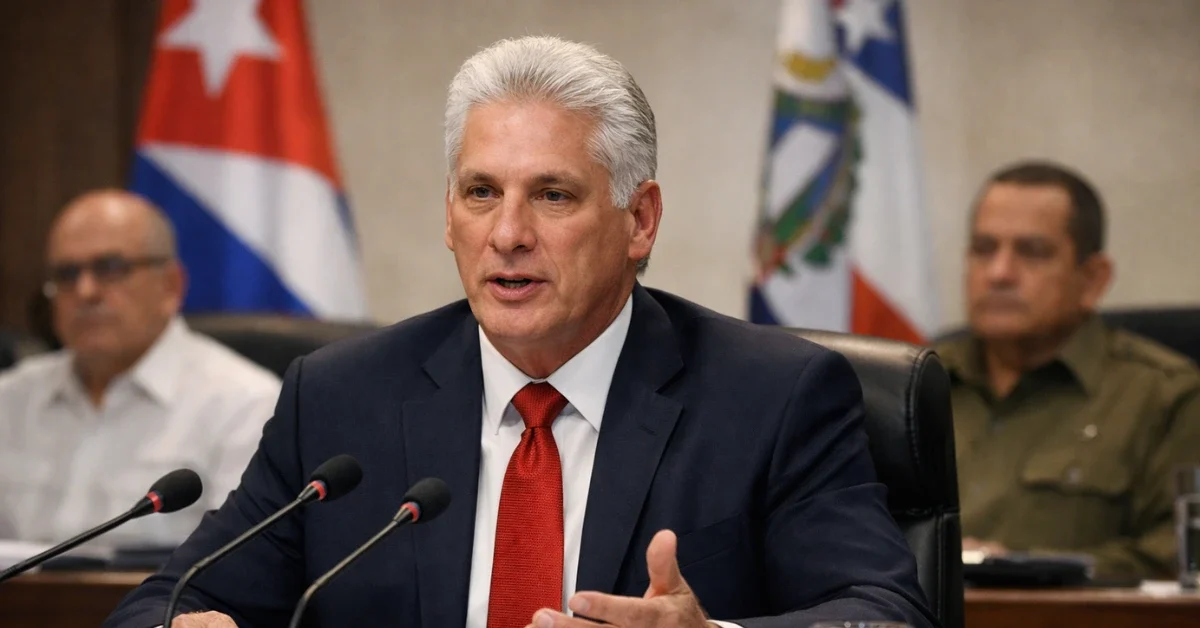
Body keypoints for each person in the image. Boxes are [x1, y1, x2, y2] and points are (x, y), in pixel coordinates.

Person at [104, 36, 936, 628]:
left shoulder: (772, 396)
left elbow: (884, 614)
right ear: (449, 215)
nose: (507, 234)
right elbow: (161, 602)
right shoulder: (341, 399)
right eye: (479, 193)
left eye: (553, 195)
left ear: (639, 219)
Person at [937, 161, 1200, 579]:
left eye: (1032, 252)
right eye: (984, 249)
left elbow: (1182, 558)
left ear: (1093, 279)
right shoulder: (914, 384)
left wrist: (1023, 571)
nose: (999, 273)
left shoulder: (1165, 396)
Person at [0, 190, 281, 548]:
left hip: (166, 605)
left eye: (111, 268)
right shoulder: (10, 399)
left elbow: (239, 565)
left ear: (170, 286)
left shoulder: (244, 405)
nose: (85, 291)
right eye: (67, 273)